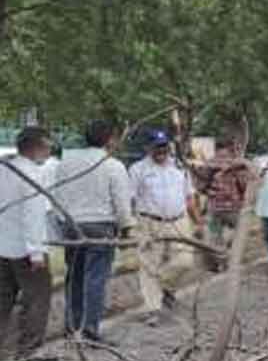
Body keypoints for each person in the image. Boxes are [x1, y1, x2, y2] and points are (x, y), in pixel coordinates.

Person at [53, 120, 135, 344]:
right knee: (96, 278)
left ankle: (72, 325)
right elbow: (121, 201)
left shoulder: (65, 163)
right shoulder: (112, 165)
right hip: (100, 226)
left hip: (71, 225)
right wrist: (127, 227)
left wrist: (62, 223)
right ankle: (90, 327)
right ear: (110, 139)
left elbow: (57, 195)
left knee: (75, 275)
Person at [129, 131, 202, 323]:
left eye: (164, 146)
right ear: (148, 148)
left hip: (179, 221)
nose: (161, 150)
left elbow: (189, 196)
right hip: (150, 222)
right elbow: (130, 198)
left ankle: (164, 287)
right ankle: (154, 309)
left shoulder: (179, 167)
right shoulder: (138, 170)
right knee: (149, 264)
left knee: (185, 261)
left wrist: (198, 221)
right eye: (157, 146)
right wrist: (132, 225)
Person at [0, 127, 55, 360]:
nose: (50, 149)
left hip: (2, 245)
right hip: (24, 248)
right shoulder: (33, 174)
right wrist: (37, 252)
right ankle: (29, 349)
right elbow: (33, 214)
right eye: (48, 145)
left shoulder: (4, 169)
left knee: (2, 300)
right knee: (37, 298)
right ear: (37, 146)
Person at [193, 138, 255, 269]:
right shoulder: (238, 163)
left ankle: (217, 262)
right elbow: (245, 185)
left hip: (215, 208)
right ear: (229, 147)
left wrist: (209, 191)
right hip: (234, 208)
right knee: (239, 233)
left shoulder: (209, 164)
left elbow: (200, 186)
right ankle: (230, 259)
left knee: (214, 235)